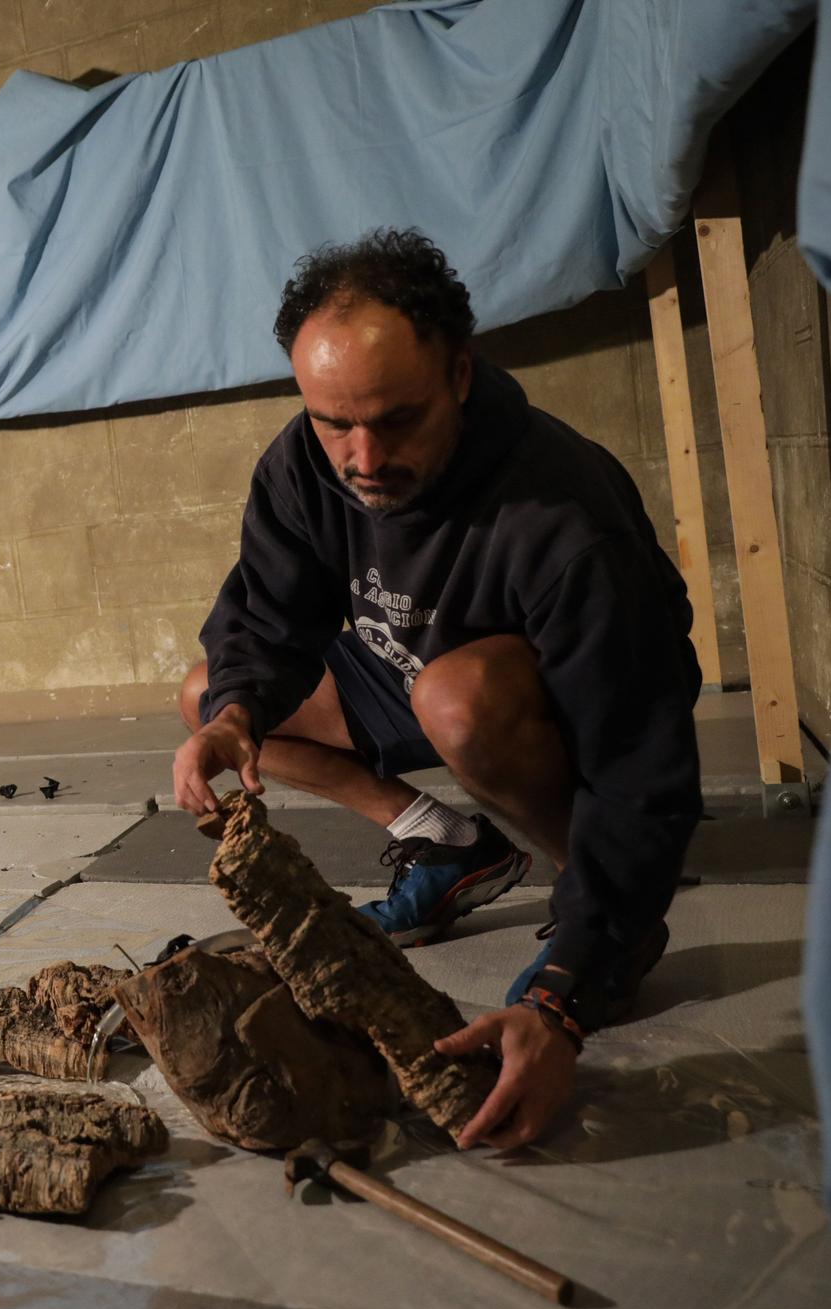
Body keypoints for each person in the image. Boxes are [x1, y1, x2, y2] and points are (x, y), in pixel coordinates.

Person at [174, 228, 702, 1150]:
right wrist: (233, 717)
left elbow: (641, 767)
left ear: (459, 373)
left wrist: (566, 988)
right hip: (410, 669)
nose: (364, 457)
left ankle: (599, 903)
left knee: (458, 698)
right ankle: (446, 843)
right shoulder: (307, 462)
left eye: (396, 419)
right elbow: (268, 619)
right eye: (335, 422)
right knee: (212, 695)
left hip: (553, 698)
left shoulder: (563, 516)